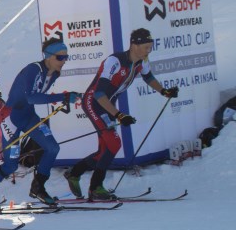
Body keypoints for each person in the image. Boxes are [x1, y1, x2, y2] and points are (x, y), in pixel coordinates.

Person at [65, 28, 177, 200]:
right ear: (134, 45)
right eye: (146, 47)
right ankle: (95, 187)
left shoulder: (141, 61)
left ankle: (75, 172)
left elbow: (148, 77)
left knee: (106, 148)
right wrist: (118, 115)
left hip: (109, 105)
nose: (149, 51)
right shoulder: (114, 62)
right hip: (95, 103)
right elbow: (99, 94)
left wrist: (164, 91)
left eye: (150, 47)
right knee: (113, 144)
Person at [0, 39, 80, 210]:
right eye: (60, 57)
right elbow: (31, 97)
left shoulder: (54, 73)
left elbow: (37, 97)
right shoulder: (33, 70)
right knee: (11, 164)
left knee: (52, 147)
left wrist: (67, 98)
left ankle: (38, 187)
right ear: (48, 56)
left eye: (66, 57)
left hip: (28, 115)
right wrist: (63, 97)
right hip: (11, 117)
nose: (64, 61)